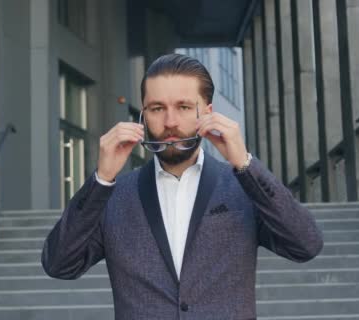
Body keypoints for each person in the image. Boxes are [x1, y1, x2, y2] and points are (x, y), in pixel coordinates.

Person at [42, 53, 323, 319]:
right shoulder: (113, 195)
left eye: (184, 107)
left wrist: (246, 165)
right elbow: (59, 264)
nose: (170, 122)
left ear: (208, 113)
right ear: (143, 115)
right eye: (157, 108)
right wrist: (100, 180)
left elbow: (305, 245)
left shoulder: (243, 186)